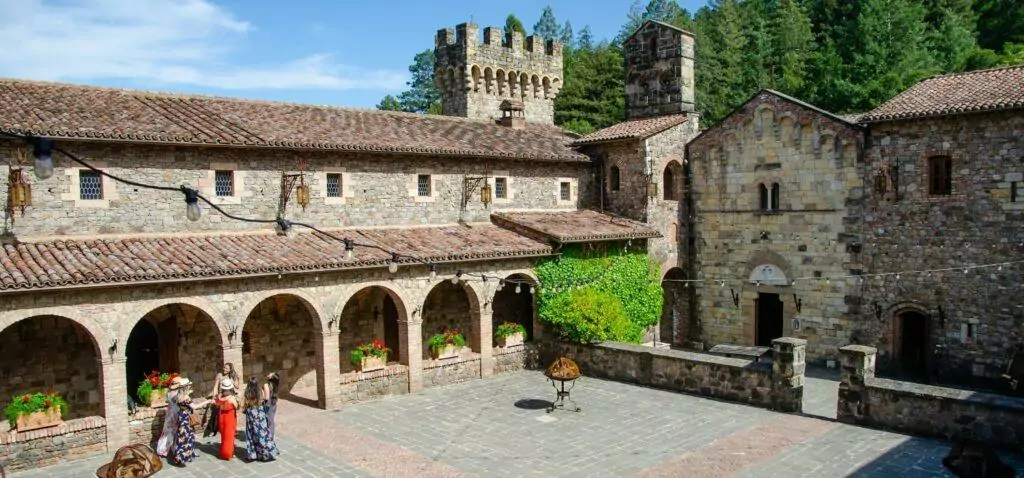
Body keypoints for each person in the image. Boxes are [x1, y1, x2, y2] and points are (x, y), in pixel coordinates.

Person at [243, 376, 278, 462]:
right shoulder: (260, 391)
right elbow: (265, 399)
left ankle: (253, 454)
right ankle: (266, 453)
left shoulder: (247, 393)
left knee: (252, 434)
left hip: (251, 414)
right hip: (260, 413)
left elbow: (245, 404)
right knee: (262, 433)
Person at [170, 378, 203, 467]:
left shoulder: (176, 396)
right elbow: (194, 407)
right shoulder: (186, 397)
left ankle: (187, 454)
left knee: (181, 435)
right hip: (186, 418)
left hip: (181, 416)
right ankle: (182, 457)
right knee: (187, 436)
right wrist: (206, 402)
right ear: (186, 387)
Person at [154, 379, 182, 458]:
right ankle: (170, 450)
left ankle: (163, 449)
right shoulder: (177, 394)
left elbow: (167, 402)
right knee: (174, 432)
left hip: (170, 413)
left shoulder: (169, 393)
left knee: (167, 432)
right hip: (175, 413)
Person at [214, 378, 239, 460]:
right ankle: (228, 454)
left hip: (221, 417)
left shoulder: (220, 397)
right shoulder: (231, 398)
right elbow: (237, 407)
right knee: (230, 436)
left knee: (224, 435)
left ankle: (225, 452)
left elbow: (216, 403)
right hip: (230, 418)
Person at [261, 372, 280, 446]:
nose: (269, 373)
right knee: (271, 421)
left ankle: (268, 438)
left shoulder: (266, 385)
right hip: (273, 404)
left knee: (267, 422)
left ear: (270, 377)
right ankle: (271, 437)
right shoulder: (275, 384)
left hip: (267, 405)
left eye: (271, 374)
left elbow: (266, 397)